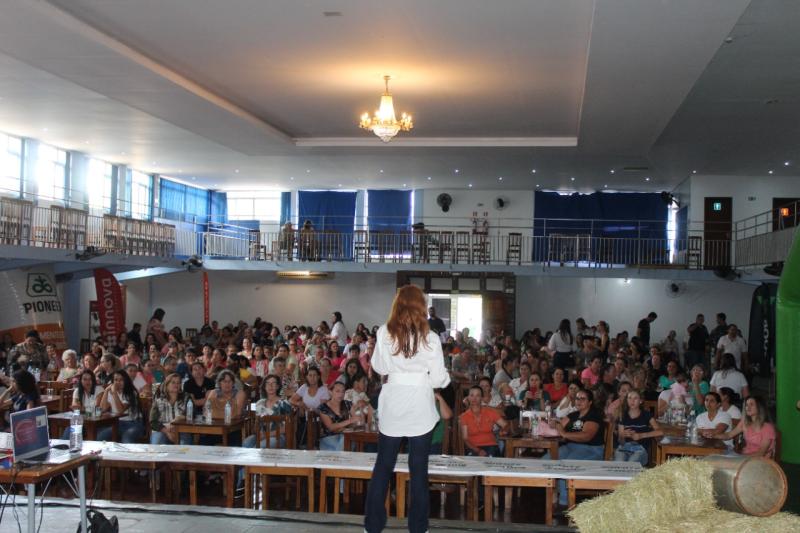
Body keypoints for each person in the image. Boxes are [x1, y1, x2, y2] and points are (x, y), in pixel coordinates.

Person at [364, 285, 451, 533]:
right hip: (420, 404)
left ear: (397, 304)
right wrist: (433, 379)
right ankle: (418, 528)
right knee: (419, 469)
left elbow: (380, 367)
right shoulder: (431, 337)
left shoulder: (384, 332)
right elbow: (438, 379)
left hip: (393, 401)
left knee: (383, 466)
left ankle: (372, 526)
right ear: (421, 306)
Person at [244, 374, 294, 449]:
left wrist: (267, 434)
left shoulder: (284, 404)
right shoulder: (259, 403)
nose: (270, 386)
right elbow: (254, 421)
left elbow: (287, 427)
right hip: (261, 435)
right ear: (264, 386)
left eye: (273, 383)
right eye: (268, 383)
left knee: (262, 446)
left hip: (278, 436)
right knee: (246, 443)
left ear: (277, 386)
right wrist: (257, 431)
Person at [614, 389, 662, 466]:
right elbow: (621, 440)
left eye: (635, 398)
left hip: (640, 449)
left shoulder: (646, 415)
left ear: (640, 401)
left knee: (631, 465)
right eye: (629, 398)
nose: (632, 401)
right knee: (618, 465)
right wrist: (623, 435)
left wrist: (641, 435)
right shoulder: (622, 415)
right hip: (623, 448)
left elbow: (660, 431)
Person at [98, 370, 145, 443]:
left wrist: (114, 393)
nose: (118, 382)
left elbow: (121, 411)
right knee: (100, 437)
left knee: (127, 439)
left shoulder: (131, 392)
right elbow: (102, 409)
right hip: (117, 423)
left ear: (126, 380)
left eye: (121, 380)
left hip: (133, 423)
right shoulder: (111, 392)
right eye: (116, 380)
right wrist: (106, 391)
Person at [460, 386, 508, 457]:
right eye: (472, 395)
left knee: (492, 458)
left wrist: (504, 430)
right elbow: (465, 439)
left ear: (481, 398)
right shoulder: (464, 416)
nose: (474, 398)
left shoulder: (490, 412)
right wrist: (478, 450)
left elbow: (505, 425)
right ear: (468, 398)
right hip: (473, 447)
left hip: (491, 445)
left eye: (478, 395)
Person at [149, 373, 190, 444]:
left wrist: (180, 418)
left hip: (182, 429)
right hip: (161, 429)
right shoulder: (159, 400)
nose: (176, 385)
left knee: (184, 445)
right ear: (167, 385)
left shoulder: (186, 398)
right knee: (158, 444)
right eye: (173, 382)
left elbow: (191, 414)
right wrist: (167, 431)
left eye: (178, 383)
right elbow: (153, 421)